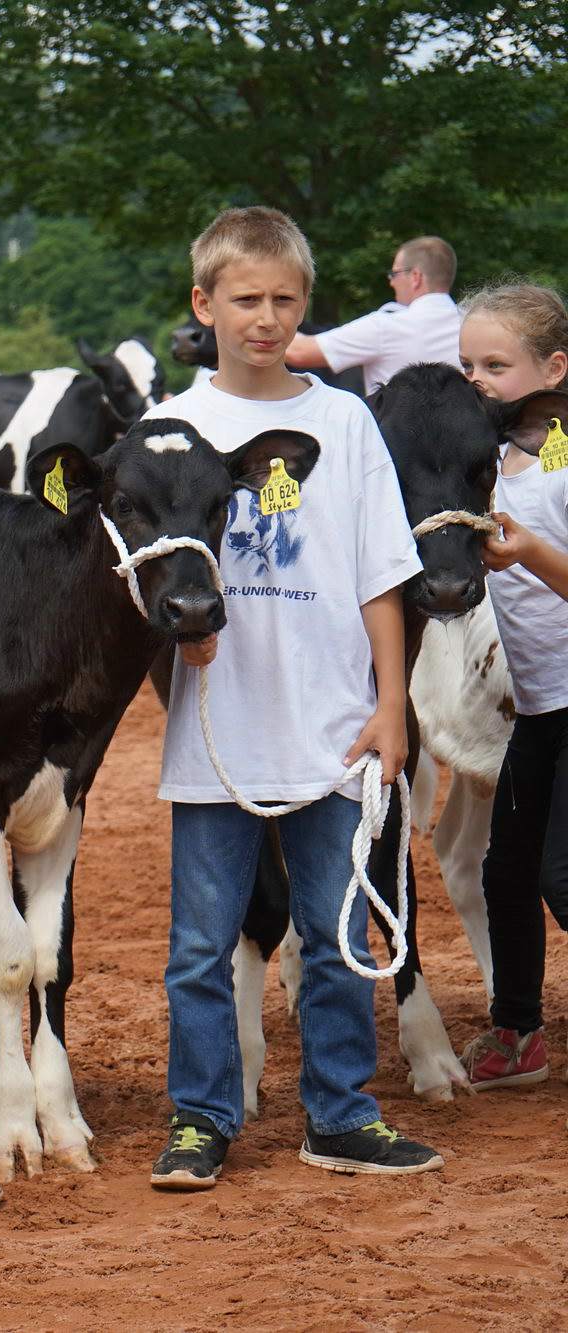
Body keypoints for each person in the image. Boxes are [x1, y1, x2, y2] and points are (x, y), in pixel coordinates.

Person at [145, 206, 443, 1188]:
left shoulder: (341, 421)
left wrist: (390, 704)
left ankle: (340, 1115)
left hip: (333, 726)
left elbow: (377, 570)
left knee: (336, 935)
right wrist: (171, 639)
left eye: (281, 300)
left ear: (303, 306)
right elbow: (140, 579)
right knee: (198, 945)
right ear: (203, 305)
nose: (263, 318)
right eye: (243, 300)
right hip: (217, 732)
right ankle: (199, 1117)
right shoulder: (169, 430)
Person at [453, 283, 568, 1091]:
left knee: (562, 872)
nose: (478, 379)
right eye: (466, 365)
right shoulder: (481, 460)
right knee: (505, 870)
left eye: (496, 364)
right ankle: (519, 1032)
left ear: (554, 369)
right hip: (538, 704)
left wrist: (524, 550)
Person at [286, 235, 461, 394]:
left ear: (415, 277)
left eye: (395, 274)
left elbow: (298, 352)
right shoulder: (471, 325)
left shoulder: (387, 327)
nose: (392, 283)